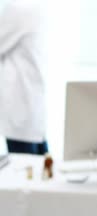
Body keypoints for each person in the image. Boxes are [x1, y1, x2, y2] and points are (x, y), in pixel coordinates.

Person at [0, 0, 48, 155]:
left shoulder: (18, 8)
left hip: (20, 106)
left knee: (26, 170)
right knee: (42, 169)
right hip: (31, 106)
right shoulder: (37, 6)